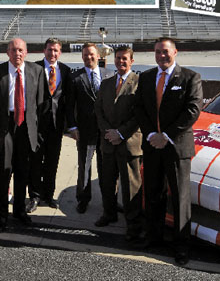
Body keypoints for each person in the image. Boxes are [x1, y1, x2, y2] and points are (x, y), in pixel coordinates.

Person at [134, 38, 203, 266]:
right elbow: (140, 109)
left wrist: (167, 135)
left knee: (180, 197)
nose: (161, 56)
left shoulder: (190, 78)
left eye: (165, 52)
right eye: (157, 52)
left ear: (175, 52)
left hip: (176, 147)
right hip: (153, 145)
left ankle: (181, 246)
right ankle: (154, 237)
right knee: (153, 193)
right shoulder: (145, 78)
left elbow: (192, 110)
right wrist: (152, 134)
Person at [0, 38, 45, 230]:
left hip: (26, 128)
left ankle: (19, 211)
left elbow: (41, 105)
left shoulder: (37, 72)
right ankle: (1, 214)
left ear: (26, 52)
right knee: (3, 172)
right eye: (13, 50)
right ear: (7, 53)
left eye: (20, 50)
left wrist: (37, 133)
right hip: (5, 127)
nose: (17, 54)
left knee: (23, 172)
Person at [94, 46, 143, 242]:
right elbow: (98, 110)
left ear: (132, 61)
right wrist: (108, 132)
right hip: (108, 142)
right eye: (118, 58)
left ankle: (133, 224)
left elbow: (139, 114)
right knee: (107, 181)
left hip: (128, 143)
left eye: (124, 59)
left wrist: (121, 133)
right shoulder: (106, 84)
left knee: (130, 186)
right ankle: (109, 213)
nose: (120, 62)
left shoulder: (139, 83)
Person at [66, 43, 113, 213]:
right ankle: (83, 199)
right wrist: (72, 127)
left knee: (105, 168)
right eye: (85, 55)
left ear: (98, 56)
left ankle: (108, 201)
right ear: (82, 57)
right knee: (84, 167)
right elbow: (70, 105)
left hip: (105, 131)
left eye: (91, 54)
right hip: (85, 132)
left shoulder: (109, 75)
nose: (89, 58)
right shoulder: (75, 78)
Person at [27, 38, 71, 212]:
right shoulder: (34, 68)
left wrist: (69, 126)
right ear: (44, 50)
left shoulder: (65, 71)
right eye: (49, 50)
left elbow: (67, 100)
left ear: (60, 52)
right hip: (36, 126)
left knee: (52, 162)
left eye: (56, 50)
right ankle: (35, 196)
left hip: (56, 126)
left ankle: (48, 195)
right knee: (35, 162)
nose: (52, 53)